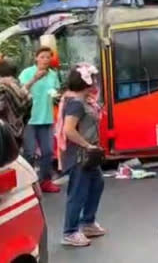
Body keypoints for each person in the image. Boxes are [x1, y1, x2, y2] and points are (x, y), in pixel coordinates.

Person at [60, 63, 106, 247]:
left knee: (97, 184)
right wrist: (87, 145)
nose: (95, 81)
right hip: (80, 154)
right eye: (92, 78)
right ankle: (70, 231)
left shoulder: (84, 100)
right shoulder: (76, 103)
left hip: (89, 152)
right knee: (78, 192)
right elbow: (69, 130)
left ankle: (87, 222)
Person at [19, 47, 61, 193]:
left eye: (48, 57)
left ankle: (45, 181)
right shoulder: (27, 73)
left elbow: (55, 91)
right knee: (29, 152)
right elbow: (20, 91)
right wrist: (35, 78)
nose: (45, 60)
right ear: (36, 58)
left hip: (46, 118)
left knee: (48, 152)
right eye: (42, 57)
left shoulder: (53, 75)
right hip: (30, 118)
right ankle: (28, 184)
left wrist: (56, 96)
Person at [0, 53, 31, 147]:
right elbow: (28, 104)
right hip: (19, 129)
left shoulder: (0, 87)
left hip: (4, 130)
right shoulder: (18, 85)